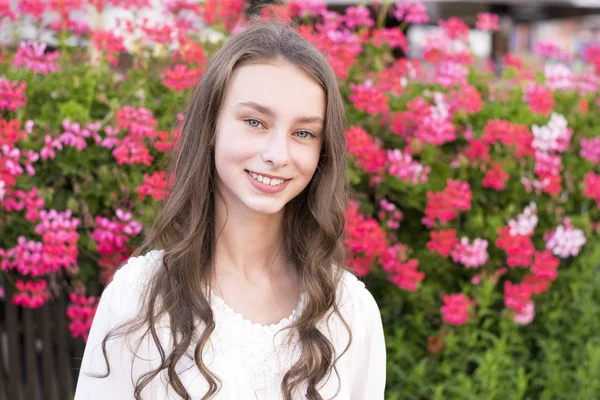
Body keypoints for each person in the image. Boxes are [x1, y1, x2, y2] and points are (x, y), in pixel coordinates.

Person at [74, 19, 386, 400]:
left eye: (303, 132)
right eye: (254, 122)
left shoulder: (350, 313)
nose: (276, 155)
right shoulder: (138, 297)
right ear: (210, 127)